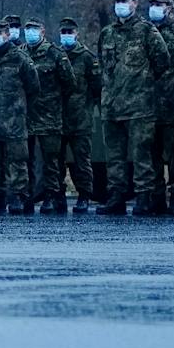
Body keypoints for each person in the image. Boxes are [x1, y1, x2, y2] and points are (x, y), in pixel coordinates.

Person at [99, 0, 170, 216]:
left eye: (125, 0)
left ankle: (144, 197)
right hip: (112, 106)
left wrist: (143, 82)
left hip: (140, 106)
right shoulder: (107, 33)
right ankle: (117, 196)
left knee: (142, 155)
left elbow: (162, 61)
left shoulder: (147, 31)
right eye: (117, 0)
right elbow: (104, 64)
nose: (120, 4)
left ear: (135, 3)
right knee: (115, 157)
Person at [0, 16, 37, 215]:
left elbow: (33, 87)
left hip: (14, 121)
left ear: (7, 35)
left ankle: (18, 197)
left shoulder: (20, 58)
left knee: (17, 161)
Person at [21, 16, 72, 213]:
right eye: (28, 29)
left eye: (34, 29)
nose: (30, 32)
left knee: (52, 160)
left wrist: (53, 100)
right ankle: (30, 194)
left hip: (49, 116)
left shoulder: (55, 54)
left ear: (43, 31)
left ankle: (52, 195)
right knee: (27, 159)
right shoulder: (20, 53)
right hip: (26, 116)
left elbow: (69, 83)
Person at [145, 0, 174, 212]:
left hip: (173, 105)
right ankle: (156, 196)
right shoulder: (144, 31)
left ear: (169, 8)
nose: (154, 8)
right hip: (148, 105)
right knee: (152, 154)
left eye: (159, 4)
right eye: (151, 3)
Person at [56, 18, 101, 213]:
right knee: (56, 161)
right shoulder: (55, 55)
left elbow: (97, 87)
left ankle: (84, 195)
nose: (66, 35)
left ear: (77, 33)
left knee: (82, 162)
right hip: (57, 118)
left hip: (81, 118)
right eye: (63, 31)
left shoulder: (87, 58)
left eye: (70, 31)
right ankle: (58, 195)